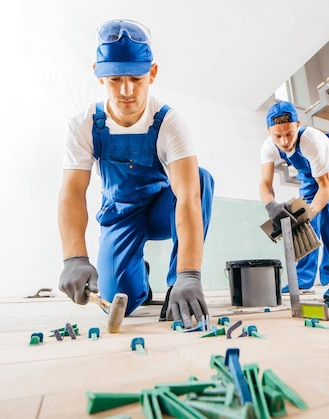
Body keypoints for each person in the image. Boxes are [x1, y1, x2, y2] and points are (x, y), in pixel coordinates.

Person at [57, 19, 214, 328]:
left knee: (201, 177)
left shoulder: (169, 122)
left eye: (136, 78)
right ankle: (136, 274)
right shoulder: (84, 124)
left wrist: (188, 274)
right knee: (119, 302)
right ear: (98, 74)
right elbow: (72, 192)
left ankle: (175, 286)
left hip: (159, 209)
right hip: (120, 216)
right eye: (115, 78)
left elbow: (187, 198)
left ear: (152, 73)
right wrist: (73, 257)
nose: (126, 90)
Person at [259, 101, 329, 301]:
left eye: (289, 134)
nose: (284, 141)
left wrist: (309, 214)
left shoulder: (311, 141)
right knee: (298, 219)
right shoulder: (268, 147)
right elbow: (265, 184)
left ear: (298, 125)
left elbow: (325, 187)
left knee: (326, 210)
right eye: (278, 136)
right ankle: (302, 279)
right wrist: (271, 205)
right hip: (308, 175)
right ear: (269, 131)